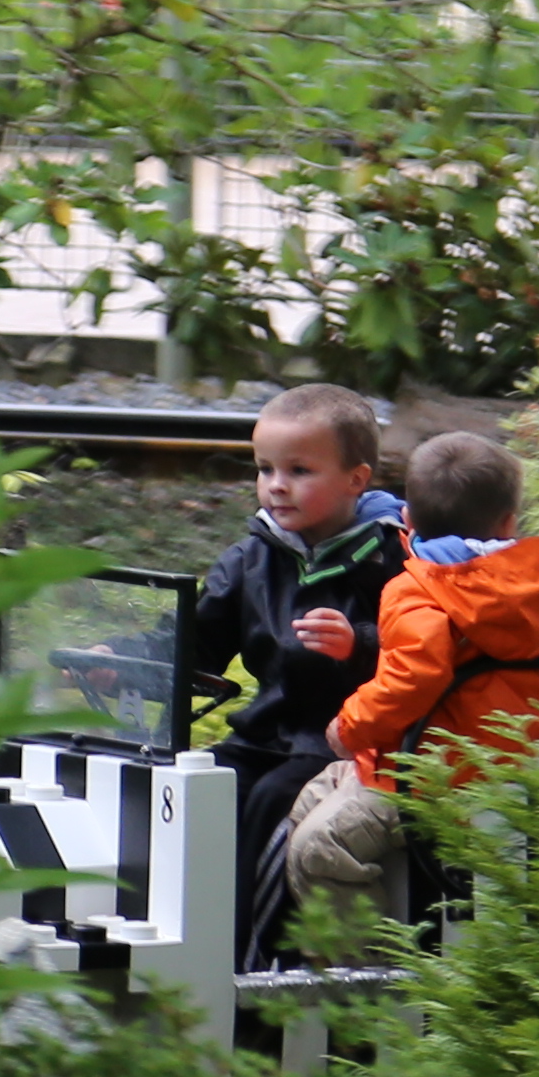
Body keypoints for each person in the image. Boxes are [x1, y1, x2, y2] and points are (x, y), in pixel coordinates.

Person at [270, 430, 539, 937]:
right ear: (510, 522)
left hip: (427, 782)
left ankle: (371, 969)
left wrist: (350, 725)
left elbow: (413, 677)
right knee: (315, 796)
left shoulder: (415, 593)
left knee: (317, 849)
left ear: (407, 522)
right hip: (503, 764)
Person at [193, 383, 405, 966]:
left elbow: (423, 651)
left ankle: (255, 963)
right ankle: (190, 932)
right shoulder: (253, 556)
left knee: (272, 801)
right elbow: (200, 640)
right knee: (198, 782)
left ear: (356, 480)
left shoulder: (392, 558)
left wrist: (359, 644)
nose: (276, 485)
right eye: (264, 468)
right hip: (266, 733)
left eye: (299, 470)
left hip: (341, 741)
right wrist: (133, 658)